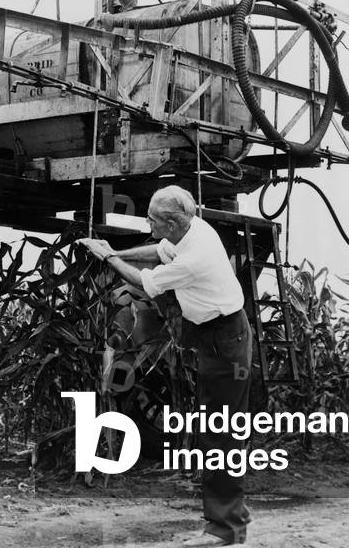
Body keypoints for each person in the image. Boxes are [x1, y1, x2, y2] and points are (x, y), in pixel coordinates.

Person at [78, 186, 252, 547]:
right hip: (216, 336)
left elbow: (145, 280)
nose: (148, 223)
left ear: (172, 222)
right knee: (217, 429)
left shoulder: (195, 257)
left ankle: (226, 530)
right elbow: (158, 251)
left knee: (220, 435)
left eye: (153, 220)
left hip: (224, 341)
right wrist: (116, 250)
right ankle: (233, 515)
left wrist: (107, 259)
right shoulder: (192, 230)